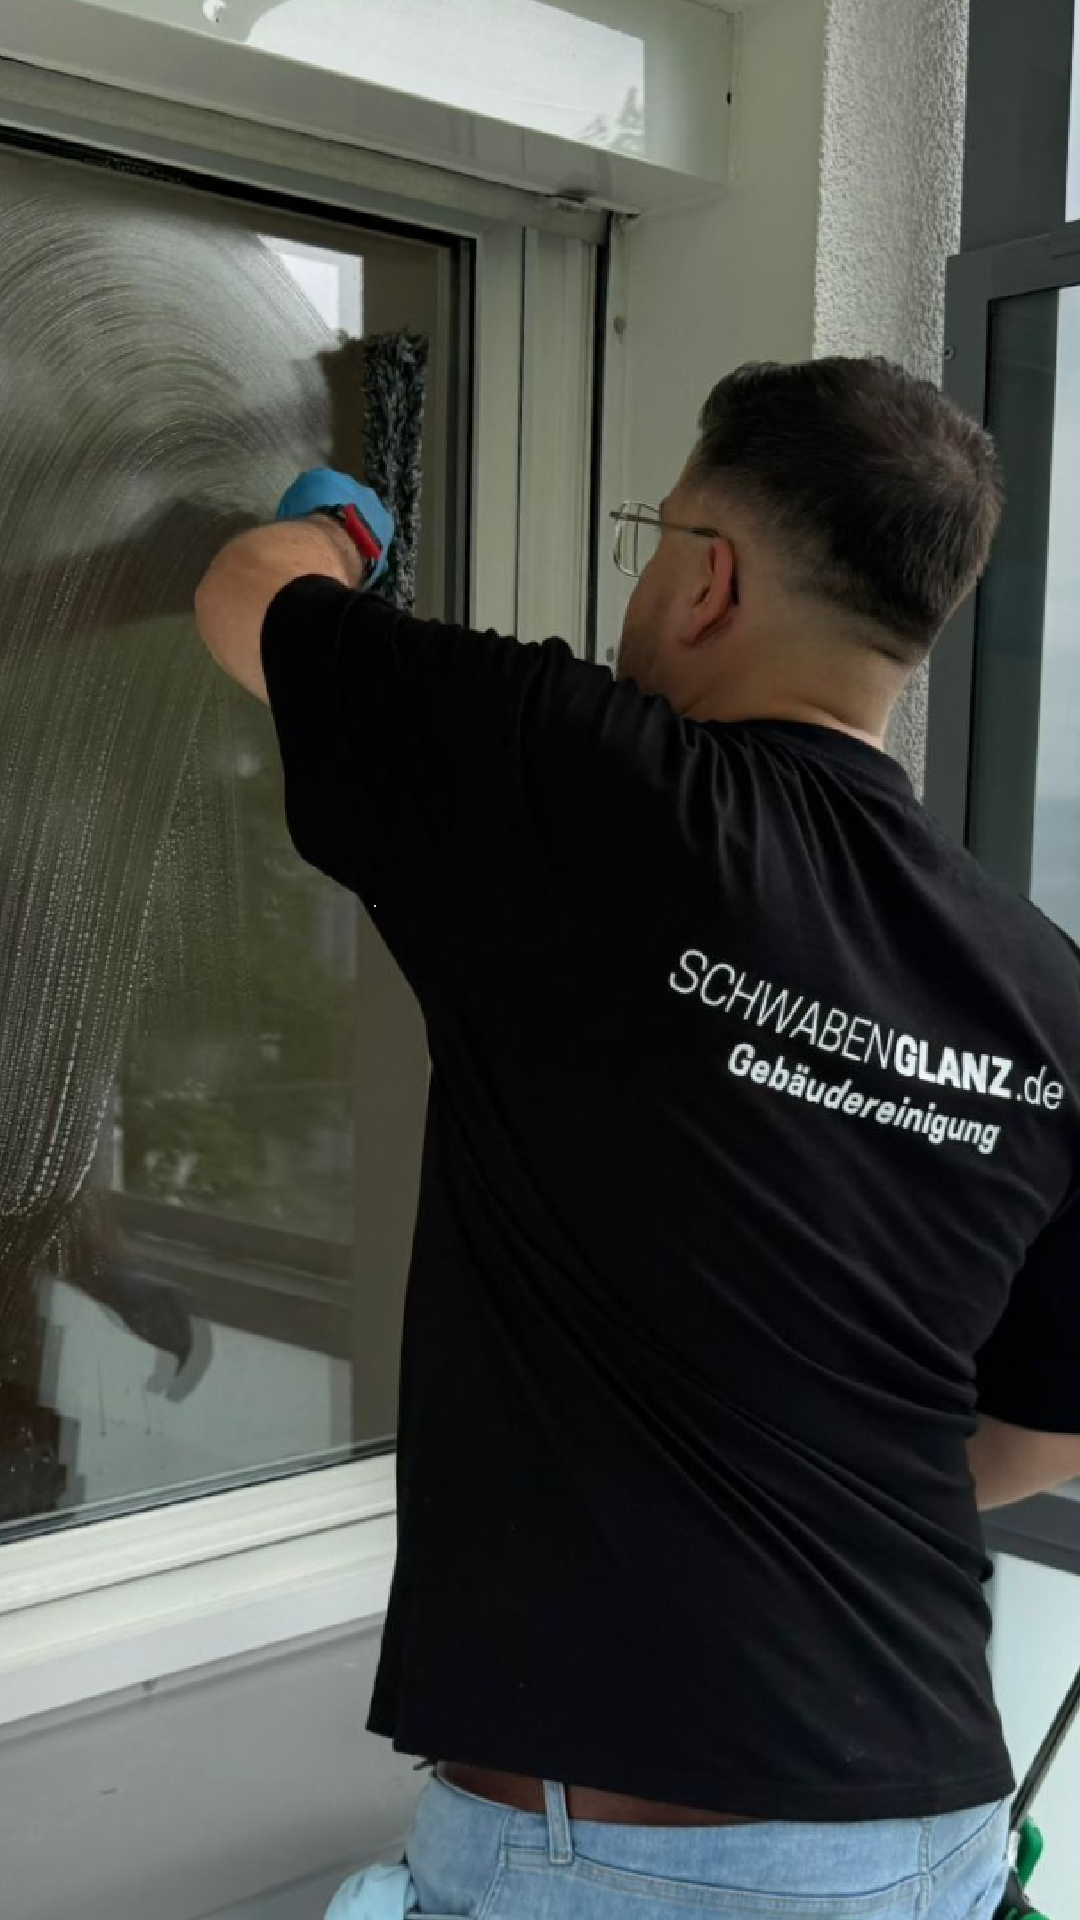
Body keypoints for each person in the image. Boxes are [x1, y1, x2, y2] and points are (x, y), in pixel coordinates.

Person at [193, 357, 1080, 1920]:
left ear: (708, 576)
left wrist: (341, 529)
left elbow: (248, 596)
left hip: (624, 1853)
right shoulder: (1044, 988)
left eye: (651, 535)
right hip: (929, 1823)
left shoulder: (591, 788)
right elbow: (1047, 1438)